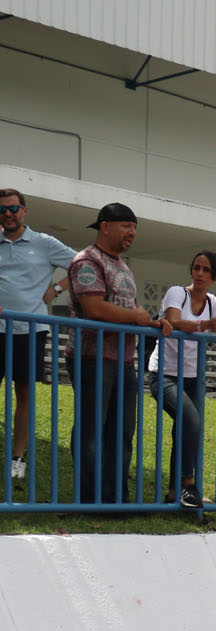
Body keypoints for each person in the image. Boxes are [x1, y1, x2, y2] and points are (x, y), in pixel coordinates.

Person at [66, 202, 171, 503]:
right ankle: (89, 499)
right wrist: (136, 318)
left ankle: (115, 499)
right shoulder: (87, 261)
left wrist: (151, 320)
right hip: (92, 357)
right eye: (127, 226)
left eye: (135, 228)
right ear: (105, 226)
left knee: (122, 433)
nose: (132, 233)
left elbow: (132, 308)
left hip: (123, 361)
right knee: (92, 432)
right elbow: (94, 307)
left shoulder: (123, 267)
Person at [149, 250, 216, 508]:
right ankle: (188, 485)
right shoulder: (178, 293)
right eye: (196, 268)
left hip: (192, 377)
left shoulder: (212, 302)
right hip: (164, 373)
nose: (199, 274)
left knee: (186, 429)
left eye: (205, 270)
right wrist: (207, 326)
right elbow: (174, 322)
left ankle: (173, 493)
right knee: (190, 420)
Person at [0, 188, 76, 481]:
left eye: (13, 208)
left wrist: (55, 290)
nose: (8, 214)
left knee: (24, 392)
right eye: (3, 210)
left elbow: (82, 265)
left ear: (24, 211)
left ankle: (18, 457)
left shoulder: (44, 243)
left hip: (29, 330)